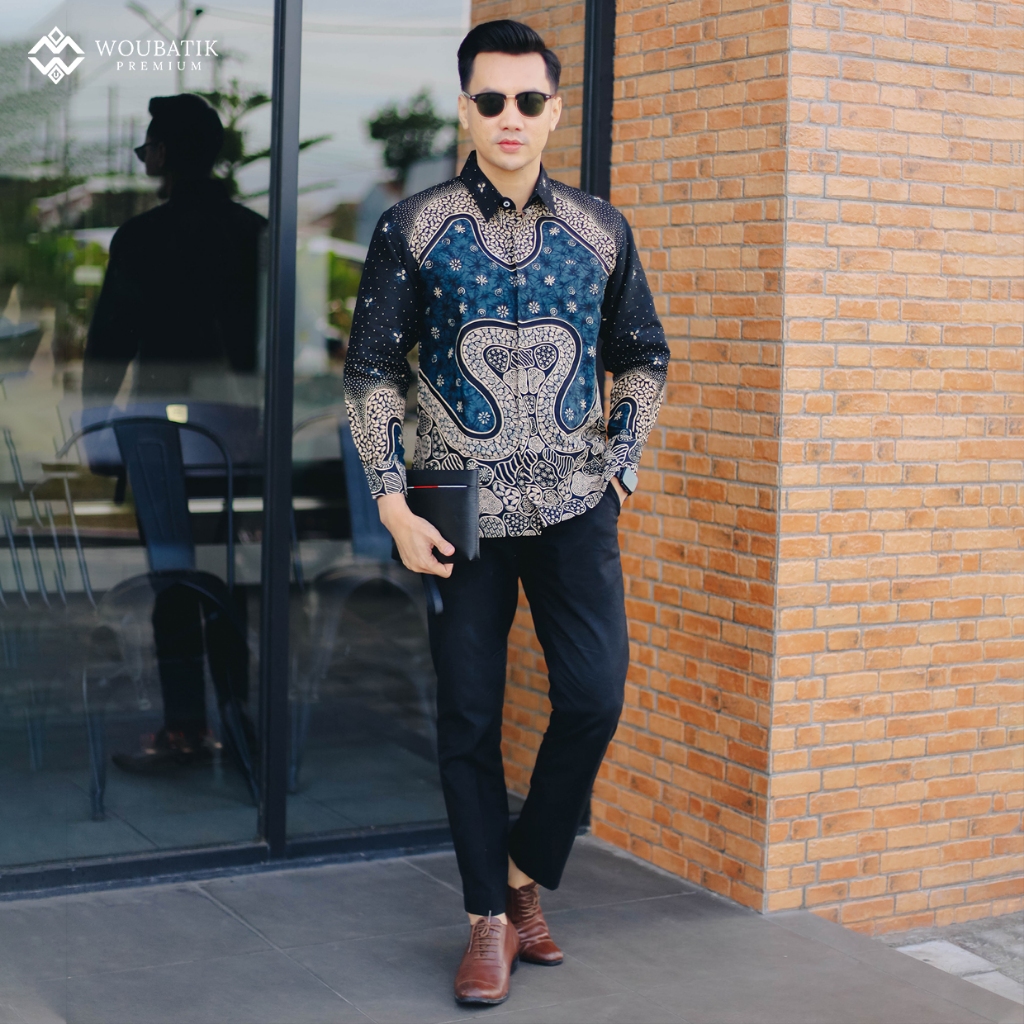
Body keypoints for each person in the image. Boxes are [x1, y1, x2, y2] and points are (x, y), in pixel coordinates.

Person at [344, 20, 668, 1006]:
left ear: (555, 110)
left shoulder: (601, 231)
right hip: (456, 506)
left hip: (575, 502)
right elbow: (370, 371)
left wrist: (620, 463)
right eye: (491, 100)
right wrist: (392, 502)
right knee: (468, 715)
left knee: (594, 696)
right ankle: (490, 916)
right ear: (465, 109)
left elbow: (642, 355)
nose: (510, 117)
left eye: (529, 100)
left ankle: (523, 869)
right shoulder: (413, 227)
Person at [83, 94, 265, 773]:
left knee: (173, 578)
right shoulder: (254, 233)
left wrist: (98, 433)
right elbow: (272, 346)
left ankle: (186, 728)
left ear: (162, 154)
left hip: (159, 435)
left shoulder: (141, 238)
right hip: (237, 432)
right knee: (228, 578)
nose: (145, 159)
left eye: (147, 148)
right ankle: (238, 718)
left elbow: (109, 349)